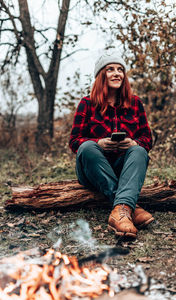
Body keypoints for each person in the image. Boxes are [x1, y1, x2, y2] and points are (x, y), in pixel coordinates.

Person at [69, 52, 154, 238]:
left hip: (124, 170)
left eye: (120, 69)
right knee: (87, 147)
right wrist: (97, 143)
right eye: (110, 69)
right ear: (101, 75)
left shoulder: (135, 103)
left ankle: (121, 211)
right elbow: (74, 141)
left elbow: (147, 138)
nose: (117, 73)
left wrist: (133, 143)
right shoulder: (87, 104)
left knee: (139, 151)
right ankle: (132, 207)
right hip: (93, 169)